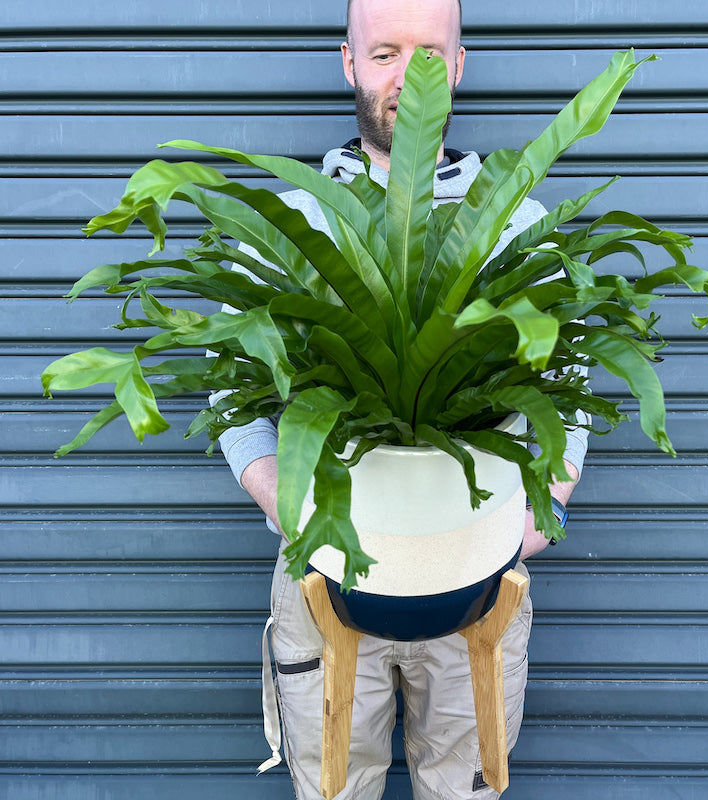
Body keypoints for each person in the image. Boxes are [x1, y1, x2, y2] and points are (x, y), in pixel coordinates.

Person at [212, 0, 588, 797]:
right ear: (349, 62)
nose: (407, 77)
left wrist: (531, 523)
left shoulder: (516, 223)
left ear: (457, 66)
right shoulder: (297, 218)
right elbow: (231, 385)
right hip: (326, 580)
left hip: (477, 576)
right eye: (384, 53)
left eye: (428, 54)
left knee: (467, 789)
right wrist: (288, 504)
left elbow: (570, 388)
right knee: (333, 791)